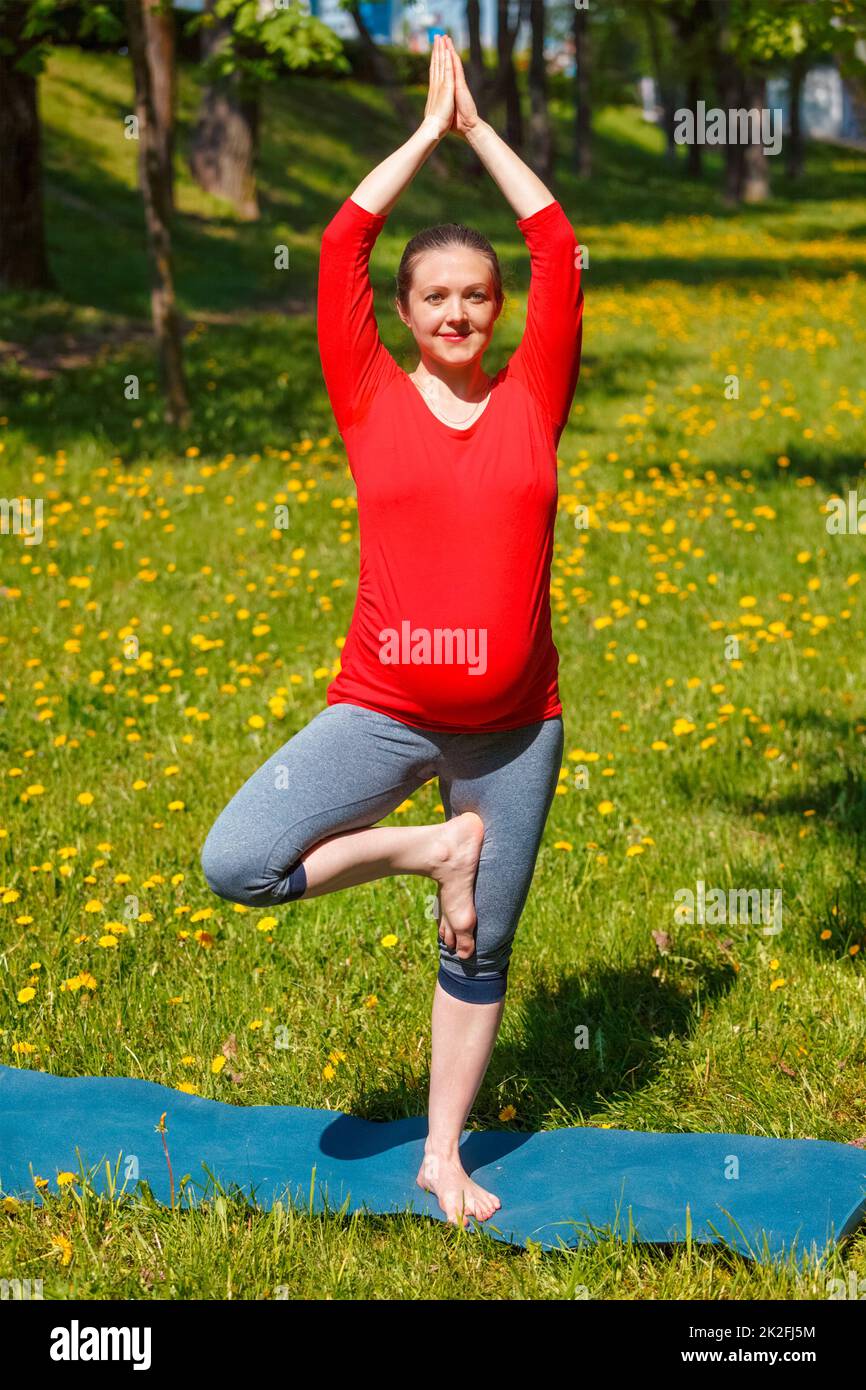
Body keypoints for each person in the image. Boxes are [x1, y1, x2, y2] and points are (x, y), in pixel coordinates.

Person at [200, 34, 584, 1229]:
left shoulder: (531, 396)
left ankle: (440, 1154)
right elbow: (337, 245)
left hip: (516, 731)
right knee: (239, 864)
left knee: (480, 953)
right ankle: (430, 852)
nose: (461, 310)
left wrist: (480, 132)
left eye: (478, 295)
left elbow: (557, 241)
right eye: (437, 295)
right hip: (385, 708)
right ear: (405, 310)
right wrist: (423, 133)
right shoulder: (366, 393)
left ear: (496, 309)